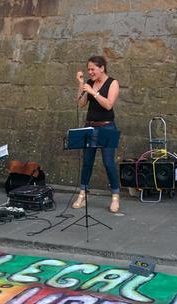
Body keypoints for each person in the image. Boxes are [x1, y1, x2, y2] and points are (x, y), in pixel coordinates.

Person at [73, 55, 121, 213]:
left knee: (108, 163)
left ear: (102, 68)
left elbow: (108, 105)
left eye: (93, 69)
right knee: (87, 161)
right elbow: (80, 104)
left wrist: (93, 92)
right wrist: (81, 85)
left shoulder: (112, 83)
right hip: (90, 127)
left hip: (107, 127)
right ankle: (82, 193)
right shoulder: (89, 83)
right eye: (88, 69)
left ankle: (115, 196)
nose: (90, 72)